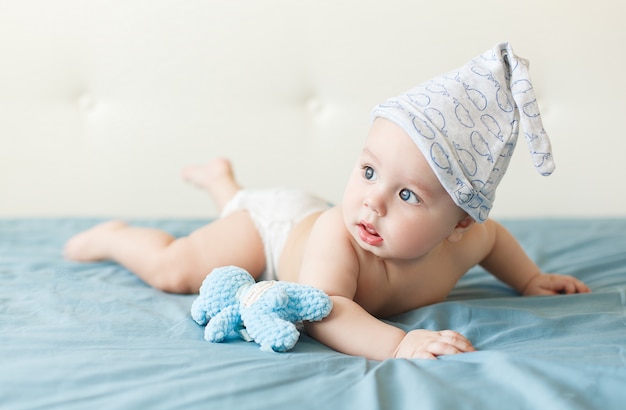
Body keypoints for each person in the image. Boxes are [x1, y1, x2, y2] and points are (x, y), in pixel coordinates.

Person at [64, 42, 591, 361]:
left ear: (458, 223)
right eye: (367, 172)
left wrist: (526, 279)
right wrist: (396, 344)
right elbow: (324, 309)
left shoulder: (468, 240)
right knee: (175, 269)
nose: (371, 203)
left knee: (233, 209)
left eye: (407, 195)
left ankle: (225, 184)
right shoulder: (340, 235)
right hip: (275, 231)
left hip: (303, 214)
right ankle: (116, 236)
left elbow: (495, 238)